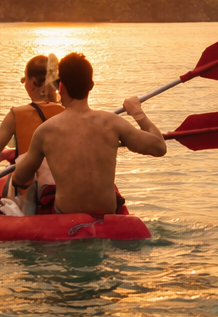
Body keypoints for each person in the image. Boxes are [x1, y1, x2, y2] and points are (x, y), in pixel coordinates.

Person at [10, 51, 167, 217]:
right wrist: (137, 112)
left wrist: (28, 160)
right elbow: (159, 146)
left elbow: (19, 178)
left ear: (60, 86)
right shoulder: (112, 122)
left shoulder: (45, 131)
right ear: (91, 85)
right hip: (107, 216)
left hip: (66, 218)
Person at [0, 53, 64, 214]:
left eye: (25, 79)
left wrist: (5, 154)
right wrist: (10, 153)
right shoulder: (67, 111)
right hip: (63, 195)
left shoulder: (16, 115)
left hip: (31, 200)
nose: (24, 83)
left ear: (33, 83)